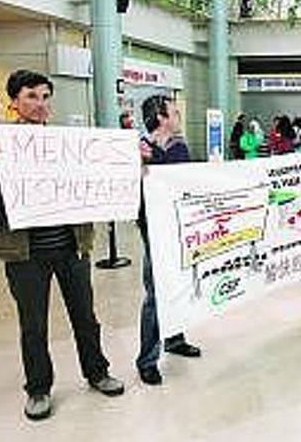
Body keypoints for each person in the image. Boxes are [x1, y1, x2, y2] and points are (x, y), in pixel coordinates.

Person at [0, 70, 124, 421]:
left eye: (45, 97)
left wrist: (125, 158)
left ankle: (97, 372)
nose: (40, 104)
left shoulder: (66, 144)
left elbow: (100, 177)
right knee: (33, 325)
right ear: (13, 101)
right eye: (31, 96)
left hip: (72, 248)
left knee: (85, 318)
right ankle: (38, 388)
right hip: (25, 255)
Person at [136, 95, 202, 386]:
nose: (178, 117)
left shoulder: (179, 147)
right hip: (153, 230)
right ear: (161, 117)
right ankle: (147, 359)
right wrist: (138, 161)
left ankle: (175, 338)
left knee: (178, 286)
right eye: (174, 112)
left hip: (180, 228)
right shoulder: (137, 150)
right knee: (155, 294)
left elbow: (178, 179)